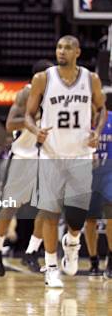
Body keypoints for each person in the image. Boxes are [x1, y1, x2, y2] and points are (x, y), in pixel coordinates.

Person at [25, 36, 106, 288]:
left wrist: (97, 131)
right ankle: (51, 268)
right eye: (59, 47)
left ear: (78, 52)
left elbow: (102, 109)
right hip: (51, 153)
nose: (62, 51)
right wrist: (34, 130)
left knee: (77, 219)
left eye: (67, 47)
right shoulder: (43, 79)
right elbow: (28, 114)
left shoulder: (90, 79)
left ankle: (72, 242)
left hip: (80, 154)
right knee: (50, 211)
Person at [0, 60, 54, 277]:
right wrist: (33, 119)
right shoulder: (25, 95)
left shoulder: (55, 98)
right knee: (10, 207)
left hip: (45, 157)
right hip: (23, 156)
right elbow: (9, 124)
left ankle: (32, 251)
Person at [83, 105, 112, 278]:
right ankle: (93, 261)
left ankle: (110, 258)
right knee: (90, 220)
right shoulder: (82, 121)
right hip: (89, 174)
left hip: (109, 173)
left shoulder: (110, 118)